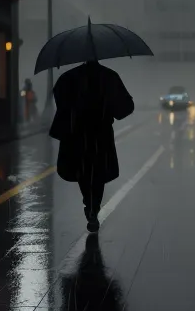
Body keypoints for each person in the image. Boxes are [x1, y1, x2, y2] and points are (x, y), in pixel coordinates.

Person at [49, 60, 134, 233]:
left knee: (82, 172)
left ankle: (89, 202)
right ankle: (94, 206)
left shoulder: (69, 78)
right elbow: (125, 106)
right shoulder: (109, 77)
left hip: (77, 134)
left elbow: (60, 101)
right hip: (100, 134)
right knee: (99, 172)